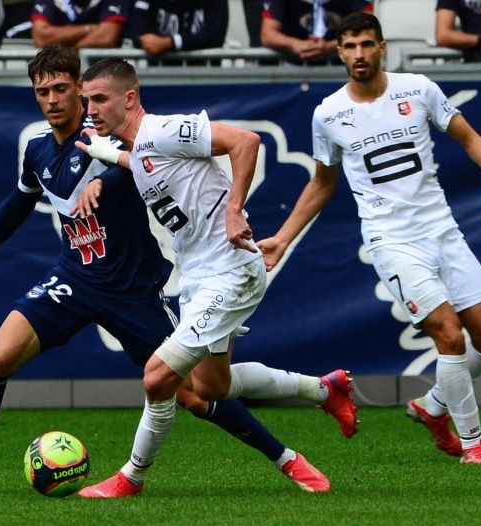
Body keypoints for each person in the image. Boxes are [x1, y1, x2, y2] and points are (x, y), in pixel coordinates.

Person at [0, 44, 337, 496]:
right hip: (74, 277)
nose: (52, 100)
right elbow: (18, 204)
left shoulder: (115, 137)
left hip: (133, 288)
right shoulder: (37, 150)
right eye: (42, 92)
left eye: (61, 89)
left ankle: (286, 458)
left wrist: (101, 178)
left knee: (196, 393)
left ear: (80, 89)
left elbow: (137, 163)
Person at [72, 57, 358, 498]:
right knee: (213, 386)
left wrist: (233, 208)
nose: (90, 108)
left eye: (99, 99)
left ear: (129, 98)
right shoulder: (144, 149)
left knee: (157, 378)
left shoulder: (163, 130)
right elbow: (138, 161)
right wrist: (99, 152)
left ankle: (131, 477)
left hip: (231, 273)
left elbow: (245, 140)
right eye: (86, 100)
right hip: (200, 276)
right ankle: (324, 389)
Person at [258, 12, 481, 464]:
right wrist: (282, 238)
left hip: (442, 231)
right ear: (338, 52)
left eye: (366, 45)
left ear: (381, 47)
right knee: (449, 336)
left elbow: (469, 136)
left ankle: (433, 407)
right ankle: (475, 445)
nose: (359, 54)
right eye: (350, 46)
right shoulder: (329, 113)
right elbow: (322, 182)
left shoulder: (419, 89)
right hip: (391, 241)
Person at [260, 0, 373, 64]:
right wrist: (295, 44)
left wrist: (330, 46)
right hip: (294, 72)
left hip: (342, 72)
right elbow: (267, 35)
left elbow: (367, 28)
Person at [128, 0, 228, 57]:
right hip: (161, 76)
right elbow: (141, 36)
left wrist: (171, 42)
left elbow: (215, 36)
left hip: (205, 76)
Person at [30, 0, 127, 49]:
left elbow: (105, 38)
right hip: (59, 70)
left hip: (104, 70)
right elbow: (41, 38)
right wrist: (88, 29)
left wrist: (62, 50)